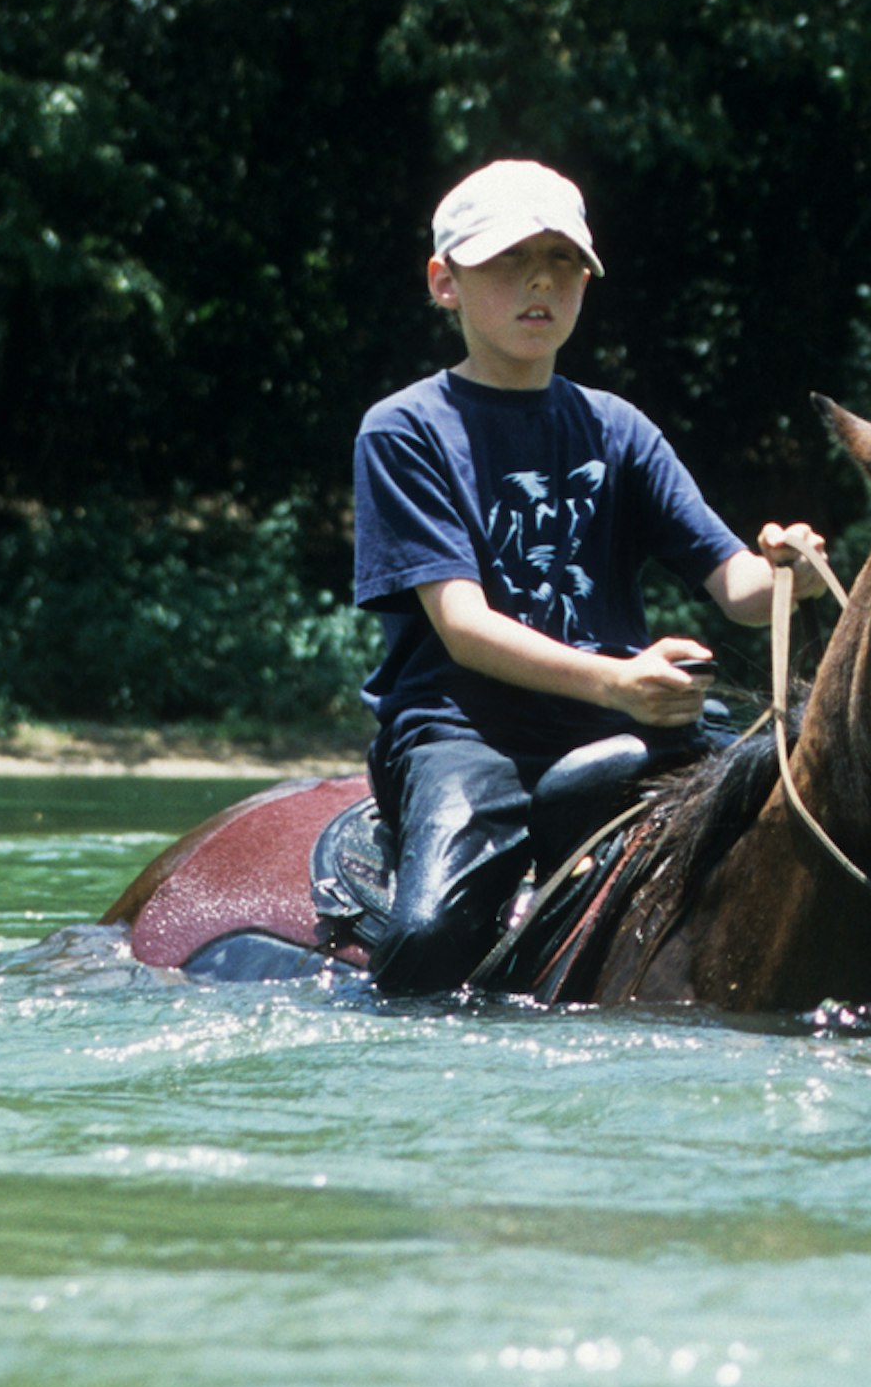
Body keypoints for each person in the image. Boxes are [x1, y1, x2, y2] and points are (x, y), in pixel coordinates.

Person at [342, 159, 836, 994]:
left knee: (808, 808)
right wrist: (620, 683)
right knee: (426, 939)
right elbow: (463, 628)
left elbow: (739, 592)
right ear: (444, 281)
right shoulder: (404, 430)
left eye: (563, 259)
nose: (540, 279)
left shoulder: (618, 428)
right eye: (508, 259)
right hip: (468, 734)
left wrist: (796, 570)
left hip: (623, 716)